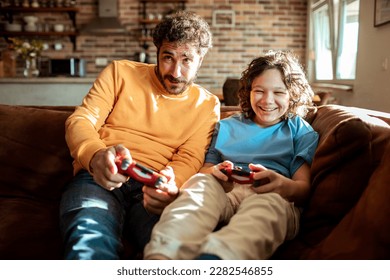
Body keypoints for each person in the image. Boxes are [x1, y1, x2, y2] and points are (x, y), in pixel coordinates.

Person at [59, 11, 220, 260]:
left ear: (201, 59)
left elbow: (190, 157)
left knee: (178, 255)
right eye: (168, 57)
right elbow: (81, 120)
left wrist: (171, 184)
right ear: (157, 52)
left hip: (153, 186)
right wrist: (95, 155)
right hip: (99, 177)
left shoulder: (208, 105)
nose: (176, 72)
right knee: (88, 244)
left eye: (187, 60)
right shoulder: (120, 73)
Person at [144, 50, 319, 260]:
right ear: (248, 91)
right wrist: (215, 173)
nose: (267, 100)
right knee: (199, 184)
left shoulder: (299, 129)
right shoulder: (226, 126)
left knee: (266, 209)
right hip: (225, 191)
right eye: (259, 91)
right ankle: (162, 257)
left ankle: (217, 259)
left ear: (292, 94)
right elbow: (205, 169)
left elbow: (303, 189)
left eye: (279, 93)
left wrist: (281, 184)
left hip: (274, 196)